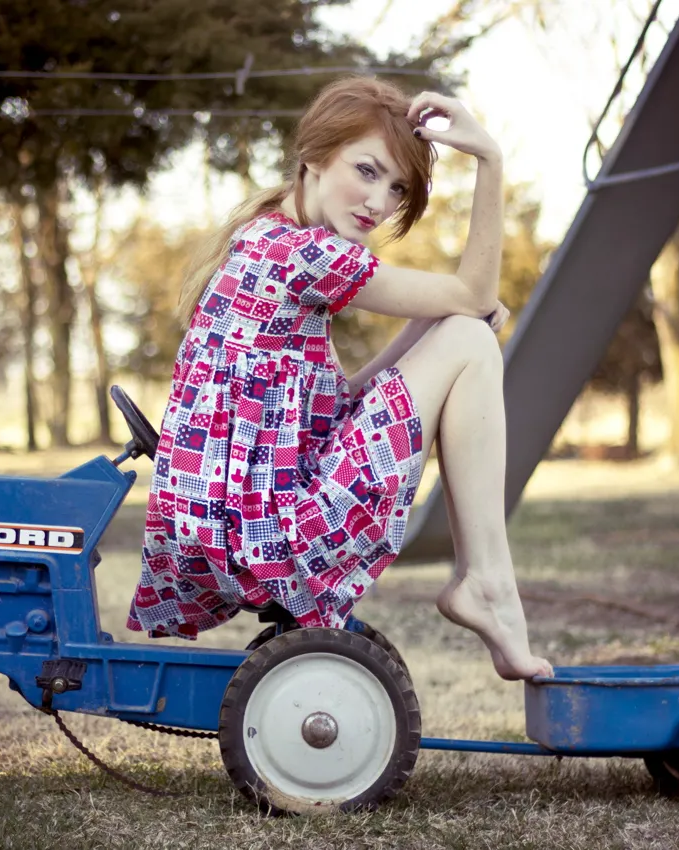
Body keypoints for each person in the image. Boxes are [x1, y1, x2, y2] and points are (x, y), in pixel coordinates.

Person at [126, 76, 553, 681]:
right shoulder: (304, 255)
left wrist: (437, 323)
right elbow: (476, 291)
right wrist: (489, 158)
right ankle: (485, 580)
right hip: (269, 540)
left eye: (396, 187)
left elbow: (341, 404)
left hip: (242, 531)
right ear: (314, 156)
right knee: (470, 335)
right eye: (367, 170)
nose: (378, 202)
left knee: (461, 331)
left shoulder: (267, 239)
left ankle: (485, 580)